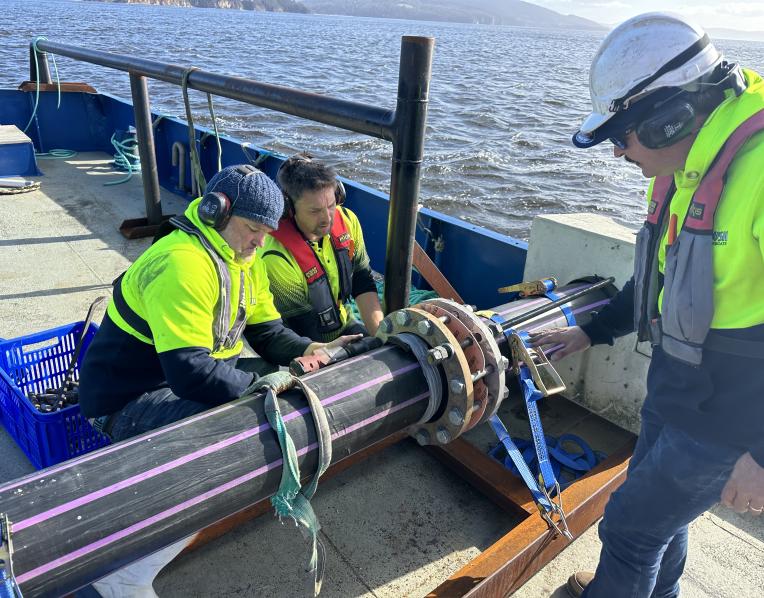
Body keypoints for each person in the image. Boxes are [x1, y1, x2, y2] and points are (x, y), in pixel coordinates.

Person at [529, 12, 764, 598]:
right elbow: (664, 273)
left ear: (667, 122)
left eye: (621, 137)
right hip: (678, 387)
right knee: (657, 514)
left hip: (729, 415)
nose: (617, 155)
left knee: (630, 527)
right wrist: (592, 332)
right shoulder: (689, 165)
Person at [77, 164, 358, 597]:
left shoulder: (244, 257)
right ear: (215, 212)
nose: (259, 242)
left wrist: (306, 350)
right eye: (251, 229)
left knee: (276, 405)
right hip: (128, 401)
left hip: (181, 377)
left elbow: (266, 331)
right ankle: (123, 574)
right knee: (239, 440)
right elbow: (190, 374)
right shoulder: (182, 263)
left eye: (266, 232)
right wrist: (268, 385)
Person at [261, 154, 384, 342]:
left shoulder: (348, 221)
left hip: (343, 326)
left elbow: (362, 280)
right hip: (298, 341)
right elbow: (302, 327)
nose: (327, 218)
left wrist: (381, 338)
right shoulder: (276, 255)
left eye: (331, 205)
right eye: (315, 211)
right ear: (289, 209)